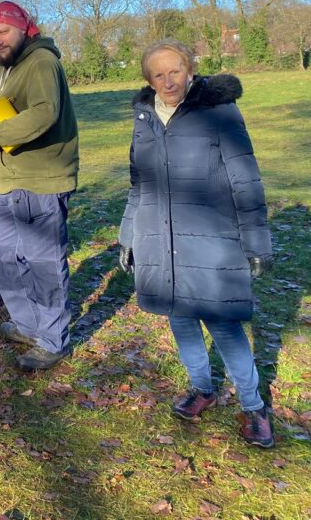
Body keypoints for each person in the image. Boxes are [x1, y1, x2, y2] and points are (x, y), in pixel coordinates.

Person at [118, 39, 274, 448]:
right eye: (158, 74)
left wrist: (257, 241)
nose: (168, 81)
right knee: (181, 320)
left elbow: (245, 178)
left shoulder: (219, 112)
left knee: (223, 325)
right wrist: (127, 236)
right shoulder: (144, 116)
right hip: (159, 238)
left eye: (175, 71)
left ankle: (254, 406)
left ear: (190, 70)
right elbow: (138, 185)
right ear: (148, 79)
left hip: (211, 239)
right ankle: (202, 388)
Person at [0, 1, 79, 371]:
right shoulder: (5, 68)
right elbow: (11, 110)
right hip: (6, 182)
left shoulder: (41, 62)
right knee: (3, 255)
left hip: (40, 180)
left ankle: (52, 339)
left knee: (43, 262)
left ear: (24, 27)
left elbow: (44, 113)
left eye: (4, 31)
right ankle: (28, 324)